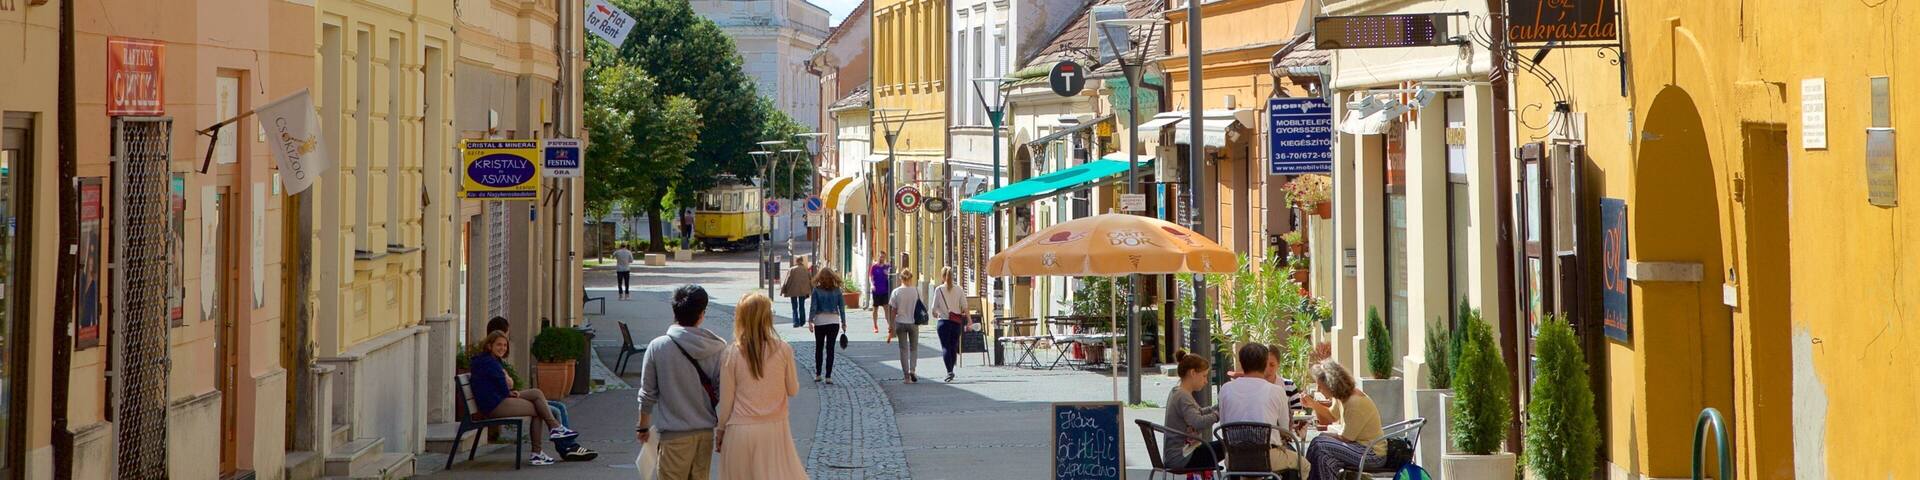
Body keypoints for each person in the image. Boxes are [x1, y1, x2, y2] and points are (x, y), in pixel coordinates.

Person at [636, 285, 728, 480]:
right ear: (702, 314)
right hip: (704, 434)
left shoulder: (658, 346)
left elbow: (647, 393)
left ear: (674, 311)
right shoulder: (718, 348)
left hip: (674, 435)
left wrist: (643, 426)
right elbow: (723, 392)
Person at [713, 293, 808, 478]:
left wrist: (720, 430)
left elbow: (726, 401)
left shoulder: (731, 353)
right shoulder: (783, 349)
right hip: (774, 431)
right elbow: (793, 389)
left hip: (740, 430)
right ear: (768, 318)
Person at [478, 316, 597, 461]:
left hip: (501, 398)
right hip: (496, 403)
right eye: (499, 345)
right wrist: (507, 383)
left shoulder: (493, 361)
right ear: (490, 344)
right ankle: (561, 444)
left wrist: (508, 384)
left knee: (542, 397)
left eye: (505, 345)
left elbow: (505, 384)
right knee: (543, 408)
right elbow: (505, 385)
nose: (503, 348)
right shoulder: (489, 362)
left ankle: (557, 439)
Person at [1218, 343, 1308, 477]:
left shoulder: (1225, 389)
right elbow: (1285, 430)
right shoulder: (1277, 391)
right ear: (1265, 364)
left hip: (1235, 458)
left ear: (1242, 364)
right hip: (1267, 457)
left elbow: (1224, 425)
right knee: (1305, 465)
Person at [1303, 360, 1387, 480]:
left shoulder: (1354, 402)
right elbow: (1331, 416)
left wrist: (1325, 435)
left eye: (1320, 386)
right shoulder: (1341, 397)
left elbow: (1346, 438)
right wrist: (1313, 405)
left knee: (1320, 443)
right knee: (1325, 459)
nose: (1318, 389)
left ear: (1330, 384)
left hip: (1372, 453)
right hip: (1357, 447)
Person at [1164, 350, 1224, 471]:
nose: (1206, 381)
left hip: (1180, 454)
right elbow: (1197, 421)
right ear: (1192, 373)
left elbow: (1197, 412)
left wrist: (1214, 408)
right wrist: (1217, 415)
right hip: (1183, 456)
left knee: (1227, 446)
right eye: (1204, 376)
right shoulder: (1183, 396)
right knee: (1230, 445)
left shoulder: (1178, 392)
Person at [928, 267, 969, 383]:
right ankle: (951, 367)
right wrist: (970, 320)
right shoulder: (959, 289)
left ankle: (949, 371)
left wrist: (935, 314)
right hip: (956, 322)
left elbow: (933, 308)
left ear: (942, 276)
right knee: (954, 346)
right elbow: (965, 306)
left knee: (945, 346)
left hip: (943, 322)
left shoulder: (939, 290)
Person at [807, 268, 848, 383]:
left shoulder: (816, 290)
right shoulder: (837, 291)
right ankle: (828, 376)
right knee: (830, 349)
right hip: (834, 321)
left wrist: (810, 321)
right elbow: (841, 308)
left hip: (820, 321)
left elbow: (813, 307)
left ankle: (818, 374)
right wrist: (844, 322)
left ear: (819, 277)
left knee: (819, 348)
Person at [887, 269, 924, 383]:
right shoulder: (916, 291)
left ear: (900, 278)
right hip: (913, 323)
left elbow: (893, 310)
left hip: (900, 323)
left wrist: (891, 325)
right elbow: (921, 306)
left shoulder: (896, 292)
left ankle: (906, 377)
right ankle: (912, 370)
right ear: (911, 278)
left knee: (903, 350)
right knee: (914, 348)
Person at [780, 256, 814, 328]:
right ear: (802, 261)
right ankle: (802, 321)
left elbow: (787, 280)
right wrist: (811, 290)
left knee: (794, 307)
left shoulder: (791, 269)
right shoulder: (806, 270)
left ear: (796, 261)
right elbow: (810, 280)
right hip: (803, 290)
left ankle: (795, 322)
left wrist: (783, 290)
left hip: (793, 290)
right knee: (802, 306)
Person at [868, 253, 892, 336]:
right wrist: (872, 285)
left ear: (885, 258)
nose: (881, 258)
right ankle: (875, 326)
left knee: (886, 308)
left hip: (885, 291)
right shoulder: (874, 267)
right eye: (880, 256)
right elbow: (871, 277)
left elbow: (891, 276)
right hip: (876, 291)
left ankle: (889, 326)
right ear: (878, 257)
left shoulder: (887, 267)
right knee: (875, 309)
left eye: (883, 257)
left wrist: (887, 274)